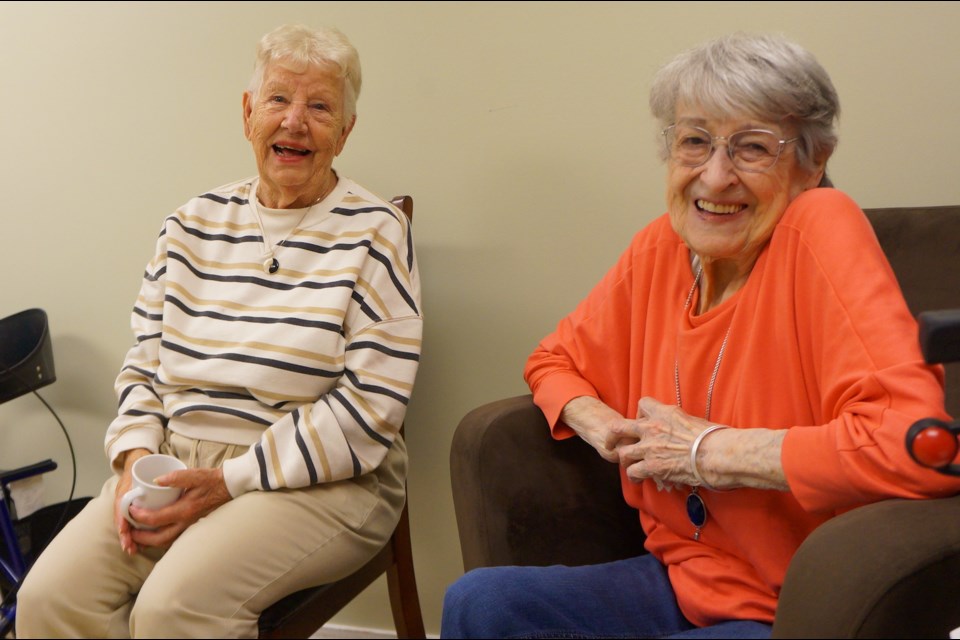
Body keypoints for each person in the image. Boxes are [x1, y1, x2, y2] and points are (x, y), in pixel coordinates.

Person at [441, 32, 960, 639]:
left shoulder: (820, 227)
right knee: (482, 602)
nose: (715, 179)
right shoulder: (663, 246)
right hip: (680, 580)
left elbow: (920, 448)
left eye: (752, 148)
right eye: (695, 142)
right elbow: (553, 360)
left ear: (813, 162)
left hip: (791, 607)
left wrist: (706, 453)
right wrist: (605, 427)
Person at [16, 23, 422, 638]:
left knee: (172, 609)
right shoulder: (190, 223)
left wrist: (229, 482)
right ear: (247, 112)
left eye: (319, 107)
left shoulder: (377, 231)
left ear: (345, 131)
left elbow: (370, 409)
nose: (294, 122)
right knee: (45, 599)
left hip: (324, 481)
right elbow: (143, 366)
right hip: (175, 465)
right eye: (279, 99)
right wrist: (132, 458)